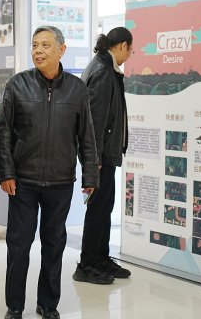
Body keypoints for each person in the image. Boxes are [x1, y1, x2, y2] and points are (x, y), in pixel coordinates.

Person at [0, 25, 99, 319]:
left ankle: (48, 303)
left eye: (45, 45)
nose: (38, 51)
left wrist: (90, 176)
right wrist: (6, 173)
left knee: (54, 245)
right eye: (34, 45)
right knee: (18, 245)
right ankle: (15, 305)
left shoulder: (77, 89)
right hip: (23, 182)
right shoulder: (17, 85)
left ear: (61, 50)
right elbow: (3, 133)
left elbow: (86, 136)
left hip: (60, 182)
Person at [73, 27, 133, 285]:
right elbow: (95, 120)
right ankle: (87, 264)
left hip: (104, 153)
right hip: (100, 156)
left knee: (104, 207)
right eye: (131, 50)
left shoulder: (104, 68)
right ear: (123, 46)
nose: (130, 55)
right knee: (98, 209)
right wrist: (93, 159)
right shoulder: (103, 72)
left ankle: (100, 258)